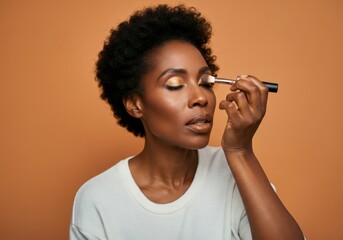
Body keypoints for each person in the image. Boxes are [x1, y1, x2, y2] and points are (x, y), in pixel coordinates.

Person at [70, 4, 304, 240]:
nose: (201, 97)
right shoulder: (98, 199)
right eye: (174, 84)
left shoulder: (235, 174)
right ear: (135, 103)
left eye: (205, 82)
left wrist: (240, 152)